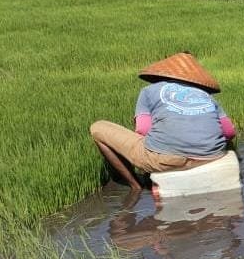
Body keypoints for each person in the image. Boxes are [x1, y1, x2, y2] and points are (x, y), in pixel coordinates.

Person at [90, 52, 236, 191]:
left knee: (97, 128)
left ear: (162, 73)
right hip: (213, 158)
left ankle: (136, 186)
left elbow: (143, 130)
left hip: (166, 161)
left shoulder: (148, 91)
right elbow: (229, 132)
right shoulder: (207, 96)